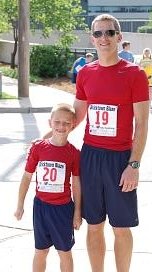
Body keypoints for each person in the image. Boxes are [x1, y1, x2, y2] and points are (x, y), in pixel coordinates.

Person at [74, 14, 150, 272]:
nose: (103, 38)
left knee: (120, 226)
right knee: (94, 224)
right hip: (91, 157)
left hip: (120, 159)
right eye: (98, 34)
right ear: (91, 38)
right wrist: (49, 138)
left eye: (109, 33)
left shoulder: (135, 74)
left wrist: (134, 165)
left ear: (119, 37)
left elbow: (141, 124)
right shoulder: (85, 73)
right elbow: (77, 116)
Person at [14, 103, 82, 272]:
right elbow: (26, 177)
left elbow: (76, 184)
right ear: (49, 123)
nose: (61, 126)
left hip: (63, 209)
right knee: (41, 250)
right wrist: (20, 204)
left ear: (73, 125)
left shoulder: (74, 153)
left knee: (64, 252)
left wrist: (77, 211)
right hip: (41, 207)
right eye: (57, 122)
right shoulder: (38, 148)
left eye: (66, 123)